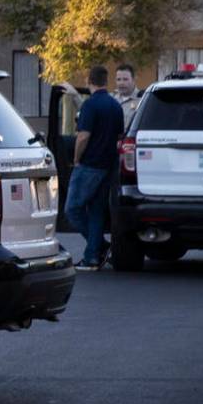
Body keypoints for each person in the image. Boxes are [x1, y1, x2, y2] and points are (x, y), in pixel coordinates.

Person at [65, 66, 125, 271]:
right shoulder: (115, 106)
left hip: (89, 164)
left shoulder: (90, 106)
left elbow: (83, 136)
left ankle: (98, 245)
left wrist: (76, 158)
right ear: (106, 81)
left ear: (89, 80)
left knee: (72, 209)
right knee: (96, 210)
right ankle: (92, 255)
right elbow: (118, 136)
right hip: (108, 165)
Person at [112, 63, 141, 130]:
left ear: (133, 80)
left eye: (125, 79)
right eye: (118, 79)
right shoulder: (112, 99)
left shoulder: (141, 100)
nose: (121, 83)